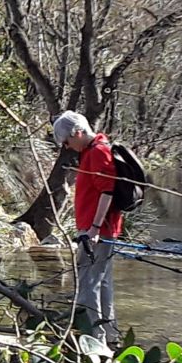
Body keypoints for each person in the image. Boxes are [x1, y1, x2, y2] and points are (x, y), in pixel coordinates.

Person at [51, 110, 138, 342]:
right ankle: (109, 337)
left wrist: (95, 229)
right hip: (97, 229)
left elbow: (107, 191)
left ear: (78, 132)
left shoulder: (98, 152)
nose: (68, 147)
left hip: (98, 230)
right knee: (102, 282)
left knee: (88, 283)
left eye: (67, 141)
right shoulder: (94, 150)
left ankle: (93, 337)